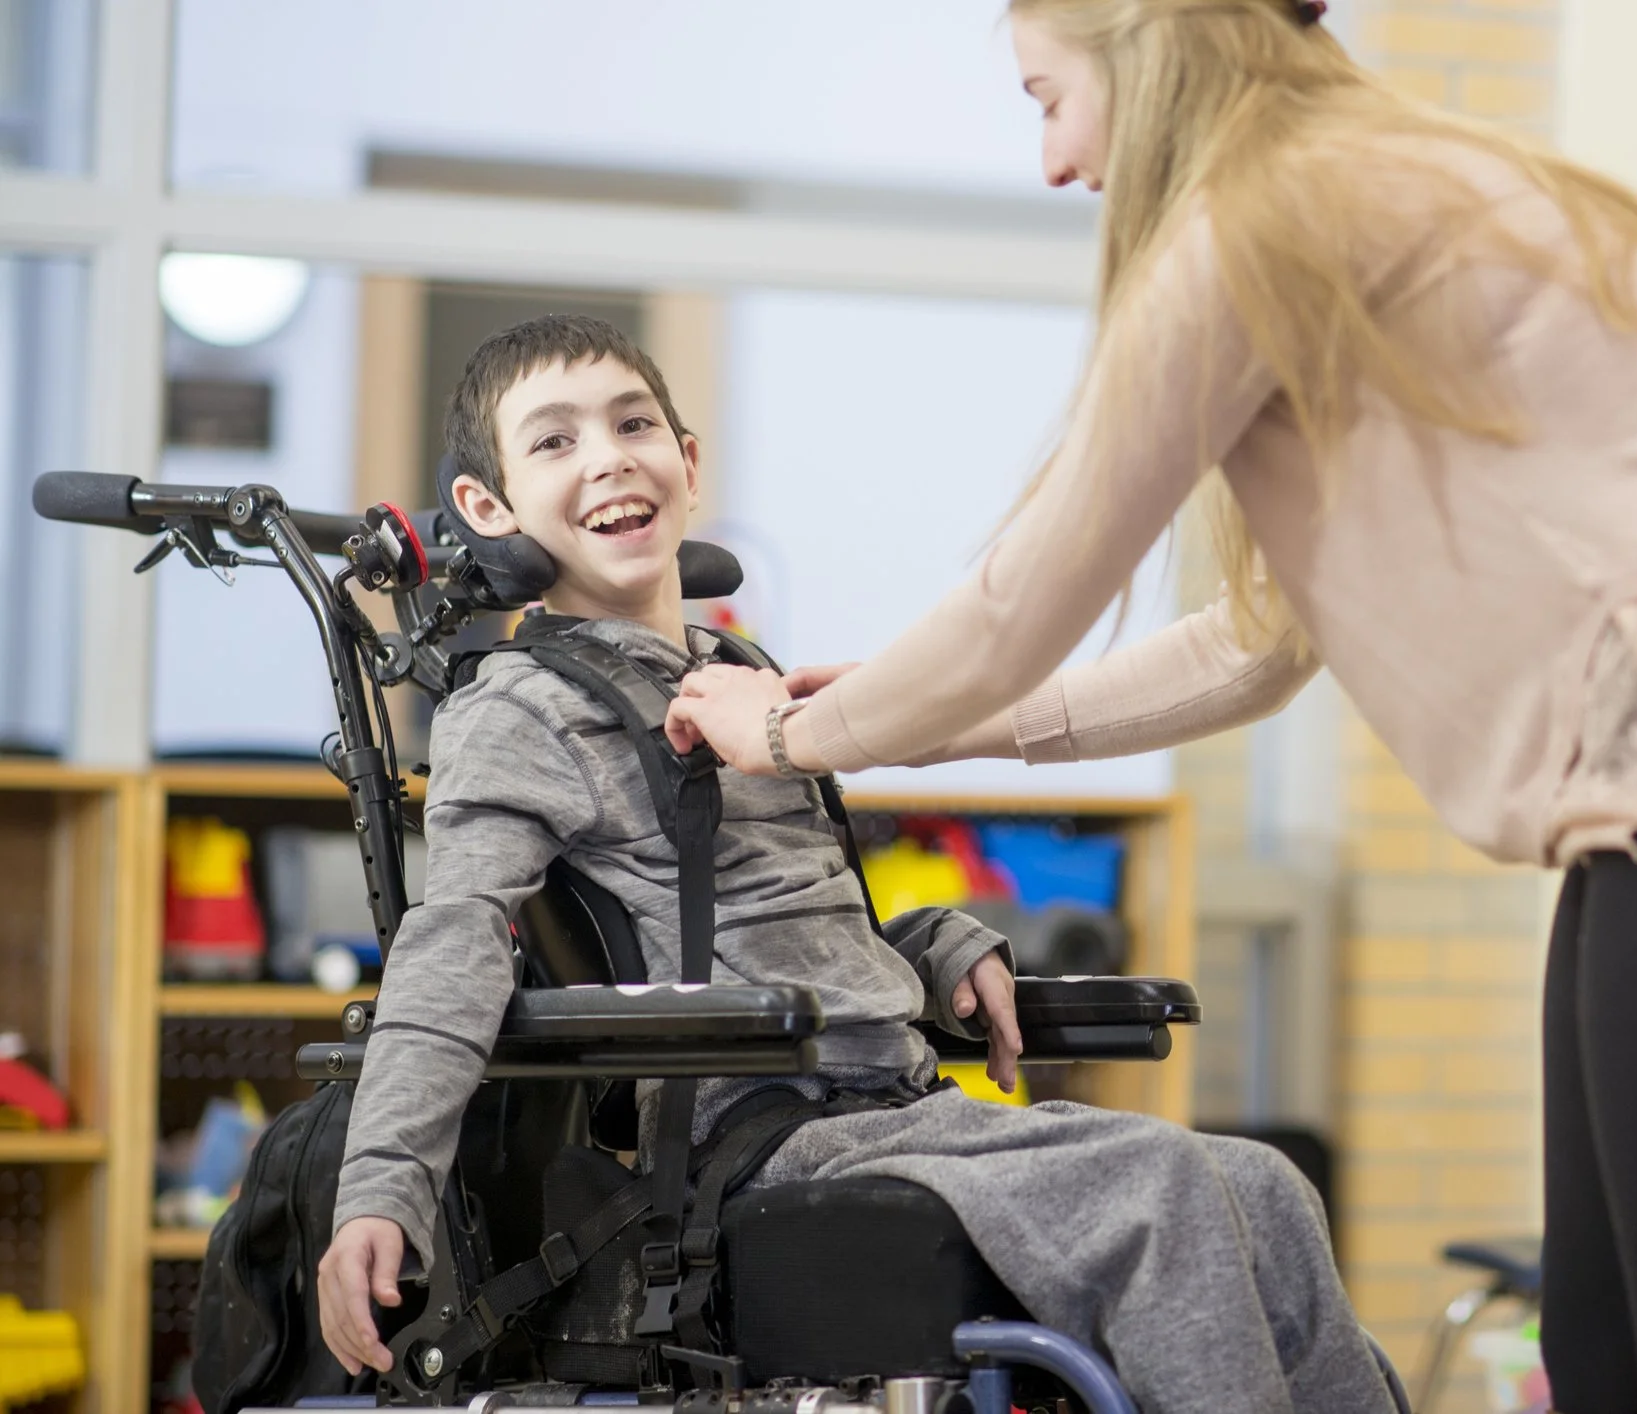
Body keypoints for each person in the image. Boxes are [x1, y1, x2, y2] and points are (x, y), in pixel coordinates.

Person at [664, 4, 1637, 1413]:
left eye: (1048, 98)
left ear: (1143, 49)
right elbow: (1260, 641)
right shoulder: (1377, 184)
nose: (1049, 161)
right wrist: (947, 717)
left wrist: (785, 733)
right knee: (1604, 1352)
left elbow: (1019, 601)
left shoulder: (1248, 228)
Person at [315, 313, 1395, 1414]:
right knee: (1164, 1194)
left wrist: (927, 950)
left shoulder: (747, 676)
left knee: (1266, 1186)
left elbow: (785, 919)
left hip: (894, 1100)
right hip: (758, 1137)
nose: (607, 455)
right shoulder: (522, 709)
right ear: (488, 510)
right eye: (554, 441)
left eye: (634, 421)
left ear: (688, 463)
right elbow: (449, 950)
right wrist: (382, 1185)